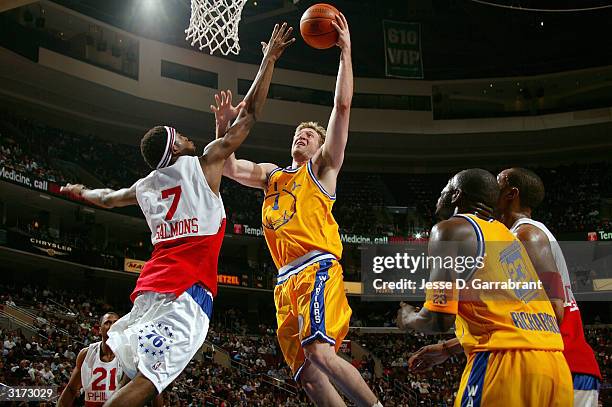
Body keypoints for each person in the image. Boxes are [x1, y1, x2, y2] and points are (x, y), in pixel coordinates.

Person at [60, 23, 294, 407]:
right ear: (177, 148)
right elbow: (249, 115)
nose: (190, 137)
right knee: (148, 384)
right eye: (183, 136)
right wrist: (268, 59)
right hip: (186, 291)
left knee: (137, 380)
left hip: (148, 289)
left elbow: (105, 198)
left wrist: (79, 191)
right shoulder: (205, 163)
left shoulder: (145, 185)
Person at [213, 13, 382, 407]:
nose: (300, 134)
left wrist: (346, 53)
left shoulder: (321, 168)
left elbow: (341, 108)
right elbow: (228, 165)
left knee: (322, 354)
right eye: (297, 133)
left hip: (317, 267)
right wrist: (222, 129)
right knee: (307, 375)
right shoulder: (272, 175)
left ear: (319, 145)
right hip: (283, 282)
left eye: (309, 134)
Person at [396, 168, 572, 407]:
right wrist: (448, 349)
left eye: (444, 189)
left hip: (503, 364)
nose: (439, 195)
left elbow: (438, 319)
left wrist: (408, 318)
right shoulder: (509, 238)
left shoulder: (450, 229)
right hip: (555, 367)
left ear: (456, 195)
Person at [57, 312, 125, 406]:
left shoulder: (127, 355)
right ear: (100, 330)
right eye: (108, 322)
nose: (112, 326)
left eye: (116, 323)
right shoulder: (86, 354)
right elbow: (71, 389)